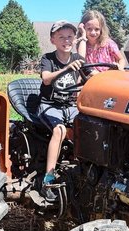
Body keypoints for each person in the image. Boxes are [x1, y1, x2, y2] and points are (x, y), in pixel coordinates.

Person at [38, 20, 84, 201]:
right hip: (50, 105)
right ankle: (48, 179)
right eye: (61, 37)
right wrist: (65, 69)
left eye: (70, 37)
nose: (66, 41)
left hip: (71, 105)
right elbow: (46, 79)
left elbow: (89, 76)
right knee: (60, 130)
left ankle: (83, 171)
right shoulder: (48, 59)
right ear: (53, 40)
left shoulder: (79, 60)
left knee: (88, 127)